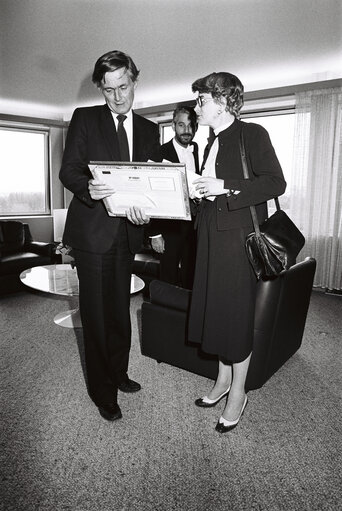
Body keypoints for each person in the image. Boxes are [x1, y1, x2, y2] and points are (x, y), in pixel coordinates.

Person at [59, 50, 161, 421]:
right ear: (100, 90)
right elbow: (68, 171)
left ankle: (119, 372)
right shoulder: (84, 119)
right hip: (92, 234)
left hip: (128, 234)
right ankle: (102, 390)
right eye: (108, 90)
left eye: (123, 86)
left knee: (120, 309)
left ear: (134, 80)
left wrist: (146, 210)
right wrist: (89, 187)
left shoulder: (150, 130)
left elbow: (148, 183)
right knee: (97, 315)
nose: (118, 97)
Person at [189, 72, 286, 433]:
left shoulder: (253, 134)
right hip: (211, 235)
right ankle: (222, 380)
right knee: (216, 311)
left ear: (225, 101)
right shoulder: (210, 140)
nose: (197, 106)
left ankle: (238, 392)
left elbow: (276, 182)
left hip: (238, 238)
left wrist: (224, 186)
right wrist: (198, 192)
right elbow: (212, 189)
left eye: (202, 100)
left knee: (235, 315)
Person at [150, 106, 199, 289]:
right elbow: (151, 194)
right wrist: (154, 234)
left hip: (194, 227)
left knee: (192, 277)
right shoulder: (159, 153)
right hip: (168, 228)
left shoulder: (199, 150)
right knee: (167, 279)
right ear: (173, 125)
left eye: (190, 125)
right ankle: (165, 315)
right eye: (181, 125)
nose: (186, 130)